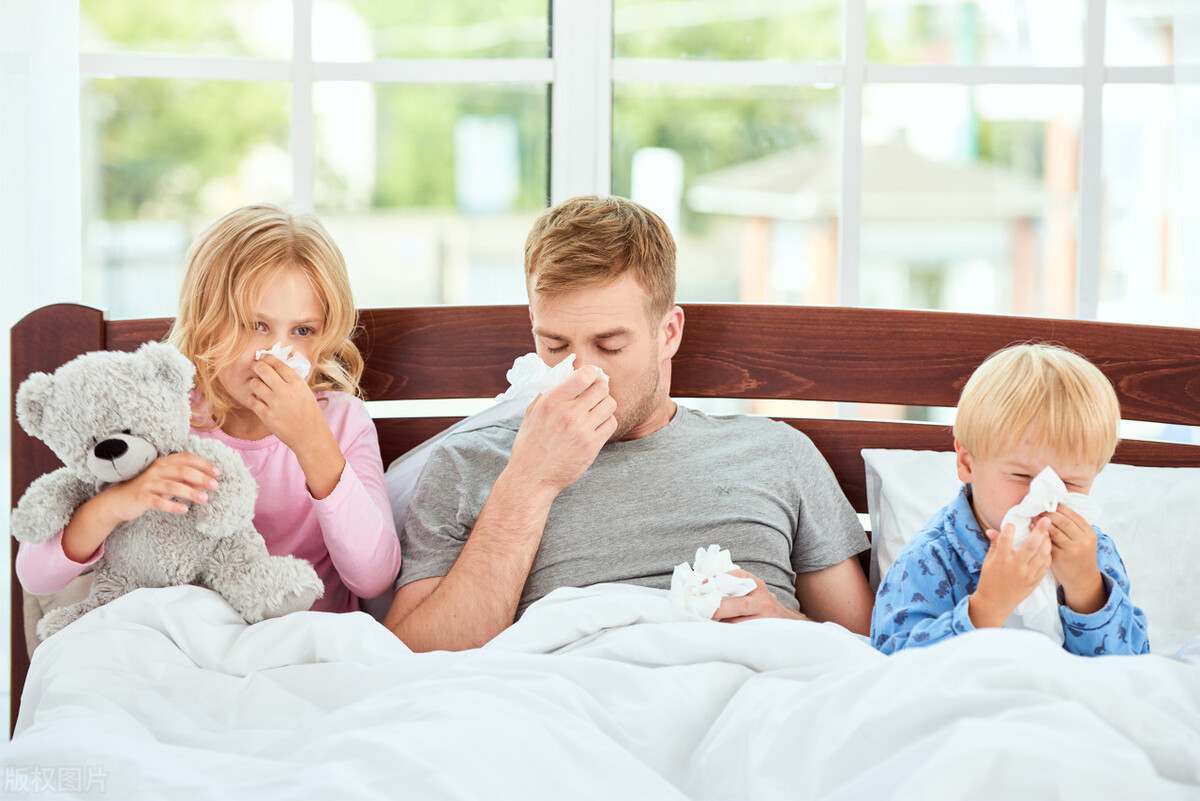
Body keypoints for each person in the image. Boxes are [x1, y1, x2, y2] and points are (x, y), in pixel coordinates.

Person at [385, 195, 874, 652]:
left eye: (610, 345)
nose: (581, 372)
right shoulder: (469, 463)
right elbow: (410, 662)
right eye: (554, 345)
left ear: (668, 333)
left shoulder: (776, 453)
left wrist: (781, 625)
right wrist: (529, 482)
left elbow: (875, 654)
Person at [16, 204, 401, 614]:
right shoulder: (160, 415)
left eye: (302, 331)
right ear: (206, 321)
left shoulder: (341, 423)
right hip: (184, 641)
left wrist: (313, 444)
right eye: (256, 325)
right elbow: (36, 575)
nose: (279, 353)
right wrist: (117, 502)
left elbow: (374, 577)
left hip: (302, 639)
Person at [870, 343, 1149, 656]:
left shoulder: (1094, 553)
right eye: (1021, 476)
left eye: (1069, 482)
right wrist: (987, 606)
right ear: (967, 463)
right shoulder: (932, 559)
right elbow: (894, 662)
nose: (1045, 498)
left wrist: (1086, 588)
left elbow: (1131, 665)